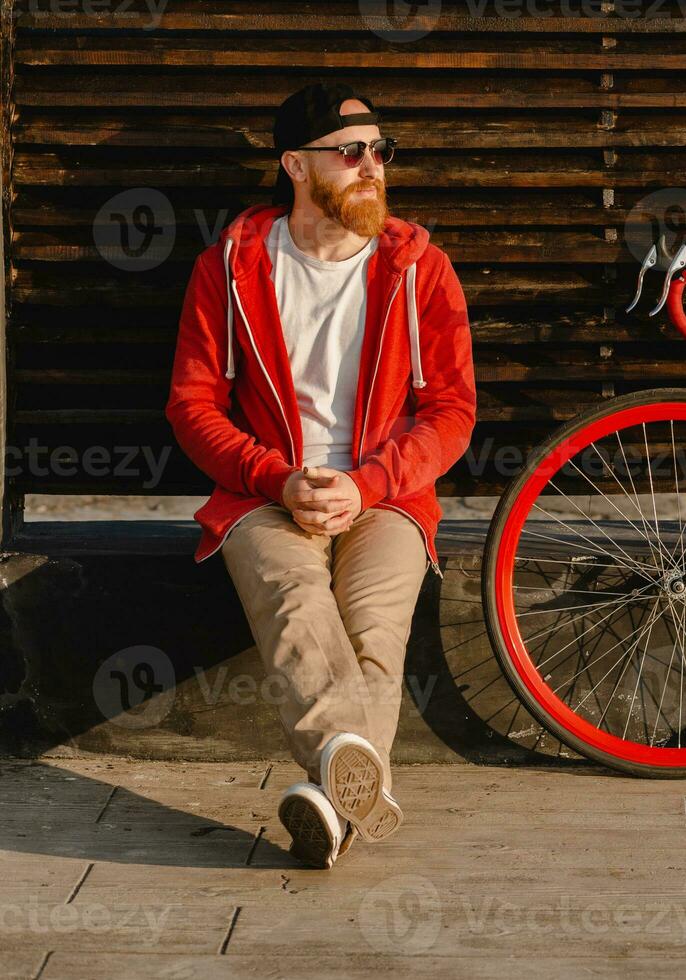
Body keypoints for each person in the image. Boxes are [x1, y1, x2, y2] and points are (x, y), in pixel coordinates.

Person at [165, 82, 477, 869]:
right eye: (352, 152)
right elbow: (192, 404)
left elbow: (451, 411)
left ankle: (331, 804)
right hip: (263, 495)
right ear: (296, 167)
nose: (373, 166)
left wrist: (367, 484)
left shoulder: (420, 268)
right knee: (295, 600)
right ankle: (350, 783)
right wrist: (276, 480)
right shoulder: (231, 269)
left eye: (382, 151)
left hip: (388, 495)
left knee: (375, 631)